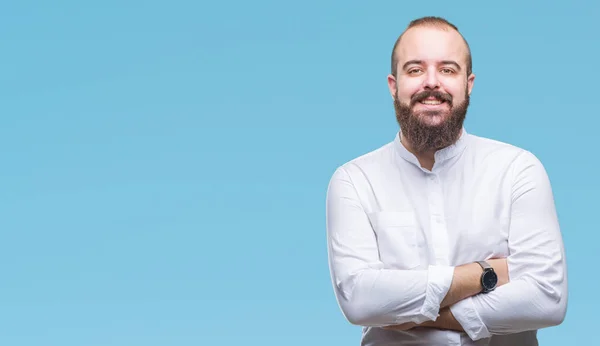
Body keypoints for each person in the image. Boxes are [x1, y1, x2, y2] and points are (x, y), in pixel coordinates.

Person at [325, 16, 568, 346]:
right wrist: (485, 274)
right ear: (393, 85)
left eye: (447, 69)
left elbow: (547, 300)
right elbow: (360, 301)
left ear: (468, 84)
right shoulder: (353, 181)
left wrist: (418, 312)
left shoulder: (518, 170)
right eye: (414, 69)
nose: (431, 82)